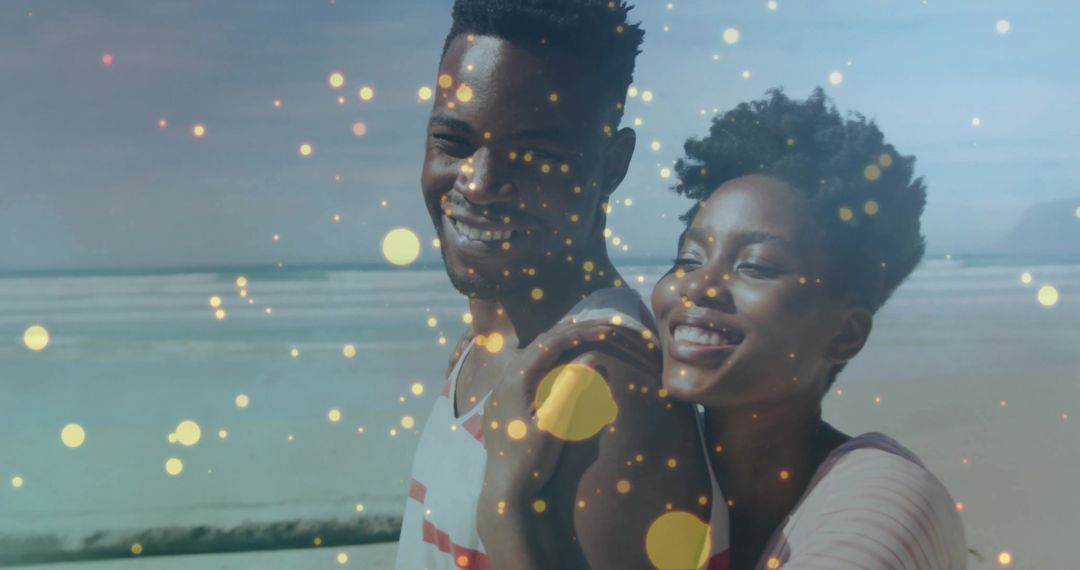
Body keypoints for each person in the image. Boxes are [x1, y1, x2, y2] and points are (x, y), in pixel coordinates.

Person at [484, 89, 968, 569]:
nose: (699, 287)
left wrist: (504, 509)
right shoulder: (671, 484)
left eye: (756, 266)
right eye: (687, 259)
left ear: (844, 335)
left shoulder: (885, 504)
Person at [396, 2, 718, 569]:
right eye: (454, 140)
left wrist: (503, 506)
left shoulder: (606, 385)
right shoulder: (490, 343)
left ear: (612, 165)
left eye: (536, 155)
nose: (481, 183)